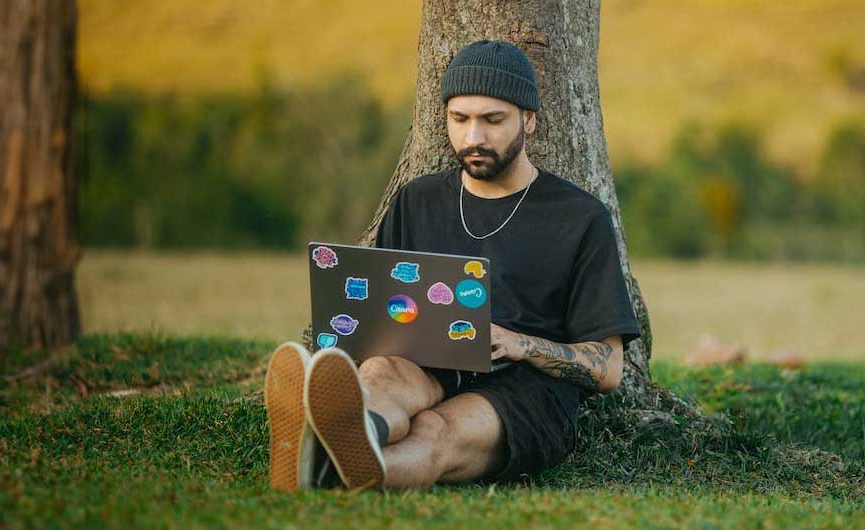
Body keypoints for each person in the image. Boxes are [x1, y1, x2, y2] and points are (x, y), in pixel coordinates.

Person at [265, 40, 641, 491]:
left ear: (530, 120)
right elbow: (379, 314)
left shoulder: (579, 218)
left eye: (492, 120)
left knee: (435, 432)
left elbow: (609, 368)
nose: (473, 138)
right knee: (380, 375)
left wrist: (520, 344)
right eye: (459, 119)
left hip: (525, 389)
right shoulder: (417, 200)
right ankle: (341, 431)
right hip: (425, 362)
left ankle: (327, 474)